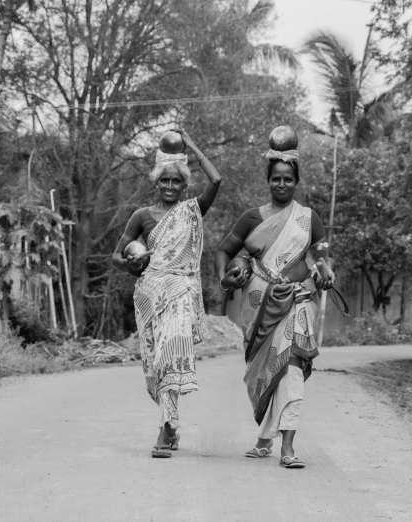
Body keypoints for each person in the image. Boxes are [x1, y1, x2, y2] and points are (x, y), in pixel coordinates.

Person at [214, 145, 335, 469]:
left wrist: (325, 272)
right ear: (268, 181)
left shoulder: (309, 218)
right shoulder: (252, 217)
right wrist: (226, 279)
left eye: (288, 180)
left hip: (298, 301)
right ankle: (265, 437)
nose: (282, 185)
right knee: (268, 372)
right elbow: (223, 252)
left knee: (291, 368)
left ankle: (288, 447)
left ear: (296, 182)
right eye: (276, 179)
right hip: (258, 306)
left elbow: (322, 257)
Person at [112, 130, 221, 458]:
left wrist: (190, 143)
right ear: (156, 182)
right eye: (165, 181)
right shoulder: (142, 216)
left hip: (180, 293)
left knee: (169, 356)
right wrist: (133, 262)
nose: (170, 187)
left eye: (176, 181)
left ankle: (165, 429)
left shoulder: (192, 211)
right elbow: (117, 256)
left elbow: (216, 180)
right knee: (154, 368)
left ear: (184, 183)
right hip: (149, 296)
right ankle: (171, 425)